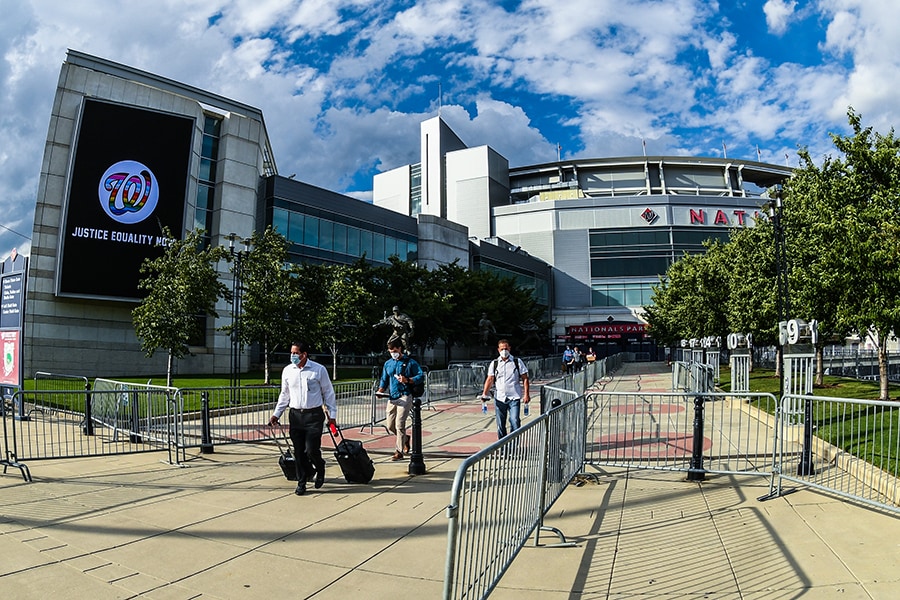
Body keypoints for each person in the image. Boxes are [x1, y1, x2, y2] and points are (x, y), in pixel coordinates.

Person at [268, 342, 337, 496]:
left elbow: (329, 393)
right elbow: (284, 395)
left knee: (311, 450)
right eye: (291, 352)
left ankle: (320, 467)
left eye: (295, 353)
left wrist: (332, 416)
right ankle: (302, 482)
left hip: (313, 416)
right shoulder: (287, 371)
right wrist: (276, 414)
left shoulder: (318, 370)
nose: (292, 356)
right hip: (296, 416)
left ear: (304, 354)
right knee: (299, 452)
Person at [376, 340, 425, 460]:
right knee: (390, 425)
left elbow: (420, 375)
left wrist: (408, 380)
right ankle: (405, 439)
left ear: (400, 349)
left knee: (399, 424)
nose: (393, 354)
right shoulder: (388, 364)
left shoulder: (410, 362)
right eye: (391, 352)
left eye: (395, 351)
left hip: (405, 395)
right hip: (392, 396)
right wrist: (380, 390)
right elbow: (384, 379)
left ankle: (399, 451)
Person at [480, 339, 530, 439]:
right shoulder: (494, 363)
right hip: (500, 398)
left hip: (514, 397)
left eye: (506, 348)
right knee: (500, 424)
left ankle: (513, 445)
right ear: (498, 350)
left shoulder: (517, 362)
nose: (504, 350)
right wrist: (484, 394)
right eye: (502, 349)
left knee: (514, 421)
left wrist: (526, 394)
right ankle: (503, 446)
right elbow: (490, 379)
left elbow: (525, 378)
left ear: (509, 348)